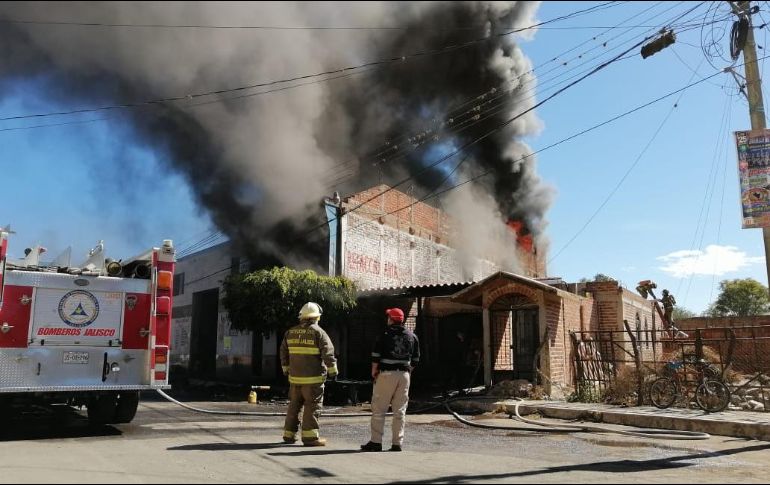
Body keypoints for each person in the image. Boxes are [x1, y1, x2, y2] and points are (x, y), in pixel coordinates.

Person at [361, 308, 420, 452]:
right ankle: (397, 443)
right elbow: (416, 359)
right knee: (400, 411)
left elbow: (376, 355)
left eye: (388, 317)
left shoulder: (383, 335)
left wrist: (374, 372)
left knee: (379, 409)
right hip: (405, 375)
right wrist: (407, 372)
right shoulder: (412, 336)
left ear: (391, 319)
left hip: (386, 374)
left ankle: (376, 442)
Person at [280, 302, 338, 447]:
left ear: (302, 317)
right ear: (316, 317)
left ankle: (289, 435)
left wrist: (286, 368)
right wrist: (333, 370)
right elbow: (328, 353)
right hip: (313, 380)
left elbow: (283, 351)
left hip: (294, 379)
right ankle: (310, 438)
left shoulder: (290, 332)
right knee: (312, 407)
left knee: (294, 405)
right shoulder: (319, 332)